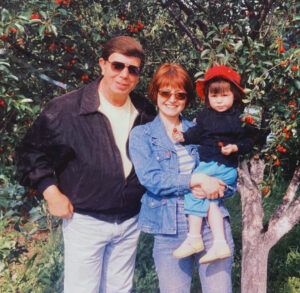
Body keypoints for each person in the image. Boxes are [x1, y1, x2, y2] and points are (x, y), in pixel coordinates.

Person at [16, 36, 155, 293]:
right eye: (118, 66)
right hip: (85, 221)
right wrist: (50, 191)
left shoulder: (145, 111)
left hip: (129, 221)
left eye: (132, 69)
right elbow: (29, 152)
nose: (124, 74)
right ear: (102, 64)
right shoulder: (67, 109)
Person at [129, 63, 233, 293]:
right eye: (166, 92)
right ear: (155, 94)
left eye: (180, 94)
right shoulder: (141, 135)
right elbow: (152, 179)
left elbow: (225, 167)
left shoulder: (201, 128)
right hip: (169, 228)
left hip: (211, 223)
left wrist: (222, 186)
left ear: (187, 98)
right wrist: (194, 180)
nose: (172, 99)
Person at [172, 65, 255, 264]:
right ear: (208, 96)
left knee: (193, 190)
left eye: (224, 95)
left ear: (234, 95)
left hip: (220, 166)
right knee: (210, 202)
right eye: (214, 95)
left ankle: (194, 238)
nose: (219, 100)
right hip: (214, 165)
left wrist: (235, 147)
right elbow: (197, 133)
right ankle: (220, 243)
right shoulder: (204, 116)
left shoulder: (238, 119)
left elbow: (249, 141)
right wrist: (183, 136)